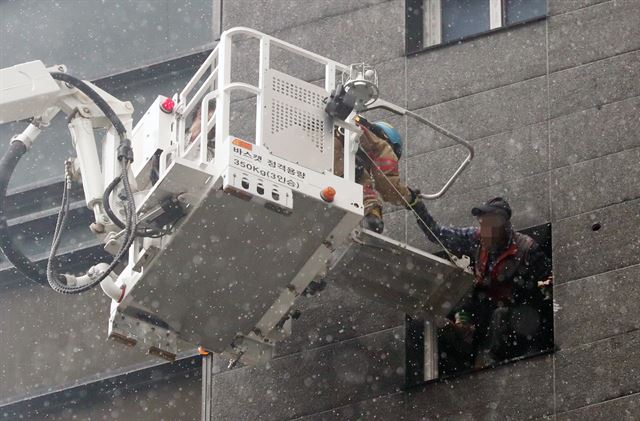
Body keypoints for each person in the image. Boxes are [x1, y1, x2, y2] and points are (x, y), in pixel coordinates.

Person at [408, 196, 553, 374]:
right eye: (481, 224)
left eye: (488, 226)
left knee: (501, 315)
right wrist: (417, 206)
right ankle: (465, 337)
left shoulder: (527, 249)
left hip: (514, 318)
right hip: (480, 311)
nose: (483, 231)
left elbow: (550, 284)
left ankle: (488, 362)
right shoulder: (476, 238)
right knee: (455, 295)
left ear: (502, 226)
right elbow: (438, 234)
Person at [334, 118, 418, 233]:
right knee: (359, 177)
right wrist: (410, 198)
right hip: (331, 155)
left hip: (313, 154)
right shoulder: (381, 144)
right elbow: (388, 183)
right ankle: (371, 217)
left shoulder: (353, 127)